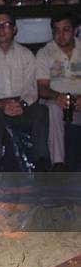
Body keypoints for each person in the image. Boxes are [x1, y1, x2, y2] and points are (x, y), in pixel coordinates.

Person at [0, 11, 49, 171]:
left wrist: (22, 104)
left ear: (15, 29)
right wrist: (0, 104)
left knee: (41, 111)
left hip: (22, 104)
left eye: (6, 24)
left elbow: (32, 90)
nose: (1, 29)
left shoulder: (26, 55)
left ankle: (42, 161)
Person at [36, 13, 81, 171]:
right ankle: (58, 163)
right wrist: (59, 97)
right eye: (56, 30)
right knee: (52, 108)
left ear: (75, 31)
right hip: (59, 103)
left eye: (66, 30)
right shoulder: (45, 53)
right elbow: (41, 88)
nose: (60, 35)